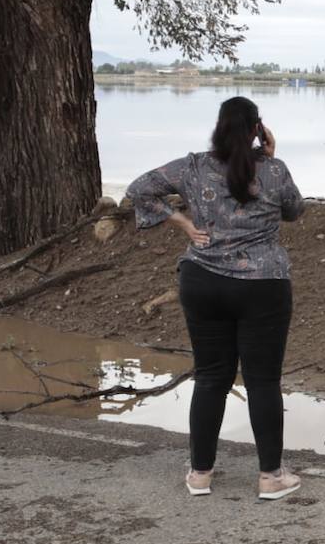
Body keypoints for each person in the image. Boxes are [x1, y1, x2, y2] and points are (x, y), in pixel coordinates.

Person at [127, 96, 306, 500]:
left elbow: (139, 190)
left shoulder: (191, 167)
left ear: (219, 126)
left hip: (203, 281)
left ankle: (200, 475)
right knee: (263, 381)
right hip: (263, 284)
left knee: (210, 378)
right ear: (257, 129)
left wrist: (183, 223)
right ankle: (271, 477)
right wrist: (270, 157)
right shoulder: (274, 170)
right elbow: (294, 211)